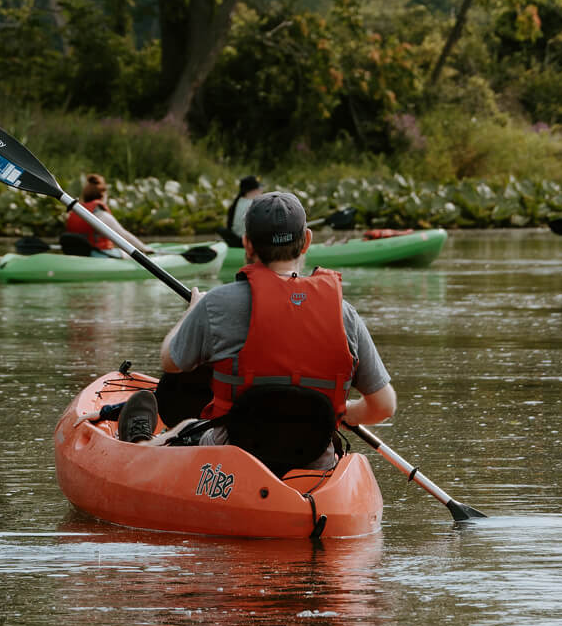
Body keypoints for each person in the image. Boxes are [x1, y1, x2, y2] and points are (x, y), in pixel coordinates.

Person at [117, 191, 397, 471]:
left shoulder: (218, 303)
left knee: (189, 427)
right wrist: (338, 414)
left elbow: (172, 361)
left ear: (248, 245)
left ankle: (141, 446)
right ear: (307, 241)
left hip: (234, 454)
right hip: (314, 460)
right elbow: (384, 406)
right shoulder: (344, 313)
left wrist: (192, 311)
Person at [64, 173, 148, 258]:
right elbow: (125, 236)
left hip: (79, 255)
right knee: (140, 254)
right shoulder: (102, 215)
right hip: (99, 255)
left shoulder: (76, 212)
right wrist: (145, 249)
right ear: (103, 194)